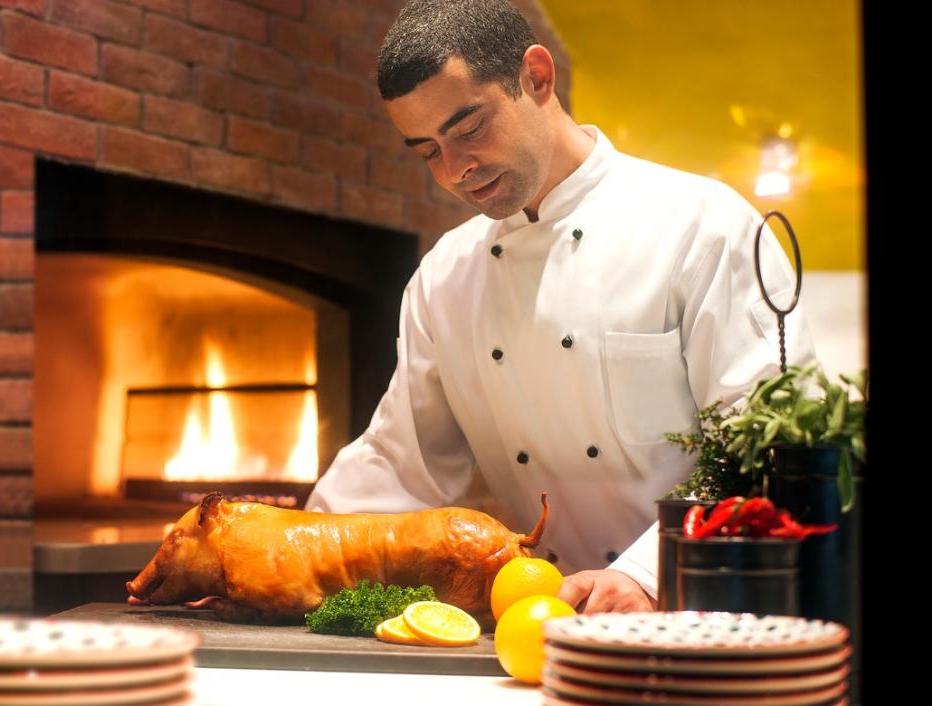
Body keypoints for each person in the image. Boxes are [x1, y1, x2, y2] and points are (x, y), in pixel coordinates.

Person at [305, 0, 815, 613]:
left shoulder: (703, 226)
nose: (455, 170)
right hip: (543, 620)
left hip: (703, 609)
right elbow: (398, 464)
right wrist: (280, 547)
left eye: (469, 129)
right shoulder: (445, 275)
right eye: (427, 152)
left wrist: (644, 576)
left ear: (537, 77)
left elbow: (767, 449)